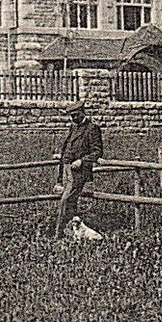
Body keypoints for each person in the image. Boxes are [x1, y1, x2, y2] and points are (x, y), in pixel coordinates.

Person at [54, 101, 103, 237]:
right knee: (69, 202)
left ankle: (59, 233)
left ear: (83, 113)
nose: (73, 118)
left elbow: (97, 152)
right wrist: (59, 181)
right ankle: (73, 232)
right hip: (66, 170)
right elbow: (66, 152)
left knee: (66, 200)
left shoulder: (92, 129)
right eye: (71, 116)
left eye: (76, 115)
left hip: (79, 173)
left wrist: (82, 161)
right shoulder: (73, 128)